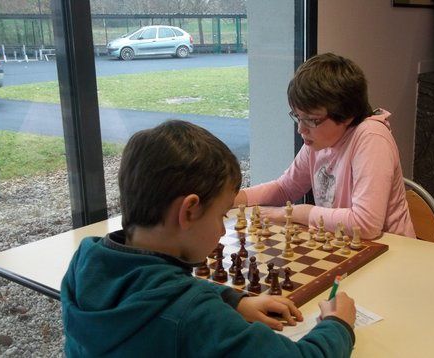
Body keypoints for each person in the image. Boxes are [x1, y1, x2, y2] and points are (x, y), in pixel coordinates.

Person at [61, 120, 356, 357]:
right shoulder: (194, 317)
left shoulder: (85, 263)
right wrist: (338, 324)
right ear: (189, 210)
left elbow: (154, 288)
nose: (221, 231)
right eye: (220, 215)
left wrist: (230, 298)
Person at [235, 53, 415, 240]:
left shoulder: (371, 137)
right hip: (345, 244)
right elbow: (285, 188)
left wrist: (293, 213)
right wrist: (235, 199)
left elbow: (366, 224)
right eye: (298, 117)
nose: (301, 129)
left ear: (347, 115)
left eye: (312, 120)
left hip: (392, 251)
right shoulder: (319, 140)